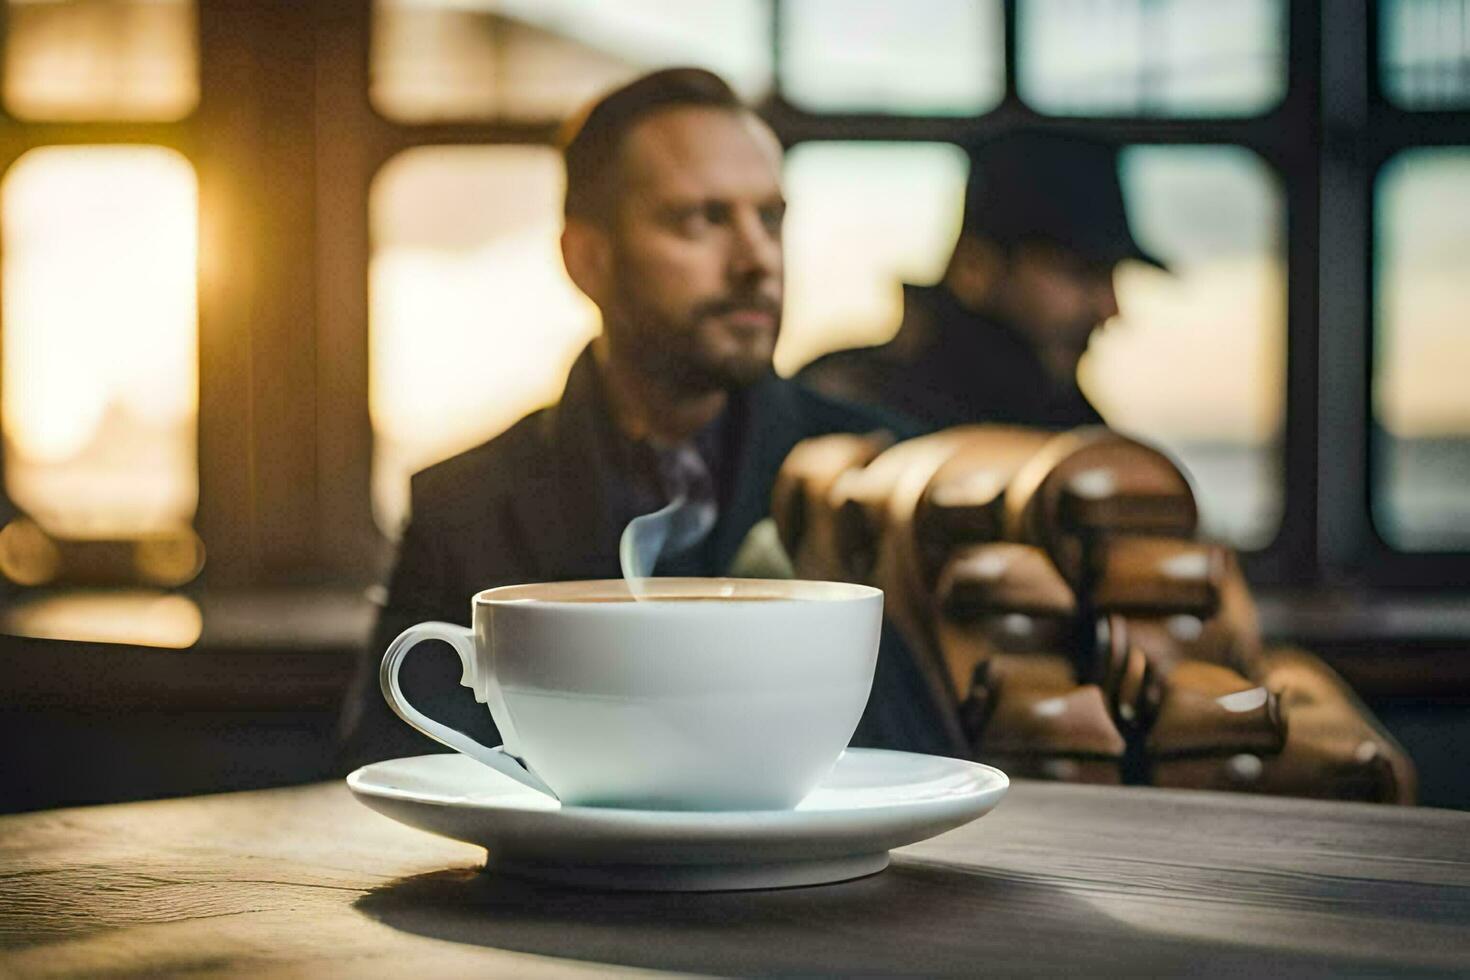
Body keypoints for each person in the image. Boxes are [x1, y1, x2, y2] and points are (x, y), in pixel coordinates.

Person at [338, 68, 952, 771]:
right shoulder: (465, 506)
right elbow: (394, 769)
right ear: (587, 259)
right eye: (703, 219)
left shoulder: (885, 473)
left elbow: (927, 760)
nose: (757, 260)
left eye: (770, 218)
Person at [799, 131, 1167, 431]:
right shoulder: (850, 403)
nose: (1110, 309)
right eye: (1080, 273)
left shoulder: (1070, 421)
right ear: (977, 268)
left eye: (1112, 278)